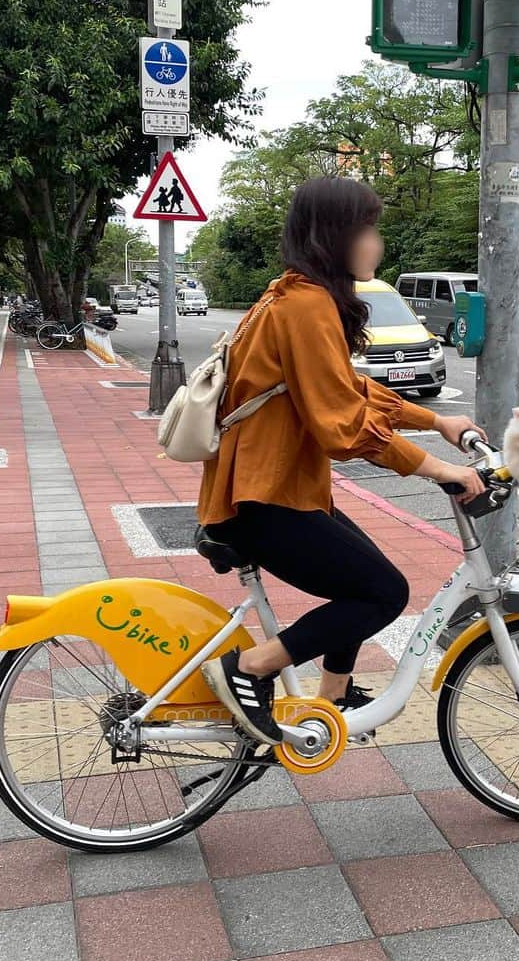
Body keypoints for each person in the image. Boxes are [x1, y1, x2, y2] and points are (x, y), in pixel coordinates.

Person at [199, 176, 486, 746]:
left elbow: (346, 388)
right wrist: (439, 468)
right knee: (381, 593)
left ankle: (330, 702)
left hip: (277, 490)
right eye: (369, 228)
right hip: (263, 498)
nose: (377, 242)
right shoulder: (306, 306)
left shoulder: (293, 294)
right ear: (337, 235)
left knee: (363, 578)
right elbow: (342, 425)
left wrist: (437, 422)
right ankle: (249, 669)